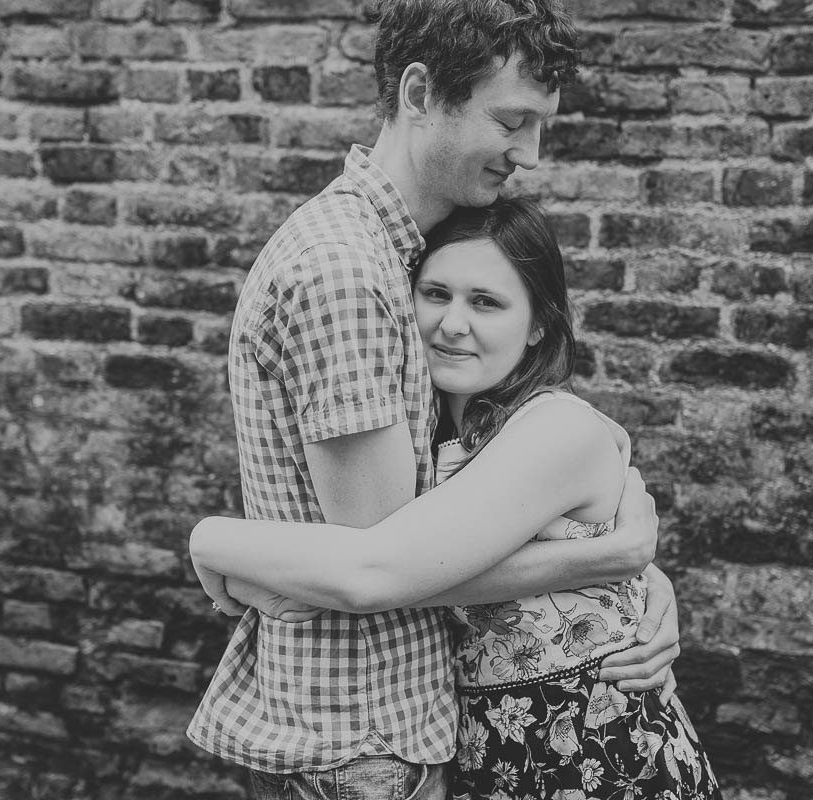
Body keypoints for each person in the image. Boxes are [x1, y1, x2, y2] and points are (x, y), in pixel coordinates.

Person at [187, 2, 683, 798]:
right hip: (366, 737)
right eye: (513, 121)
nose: (530, 154)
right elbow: (384, 558)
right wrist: (604, 558)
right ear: (420, 93)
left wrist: (625, 584)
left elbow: (455, 520)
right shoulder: (345, 270)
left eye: (541, 126)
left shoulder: (400, 257)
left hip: (413, 722)